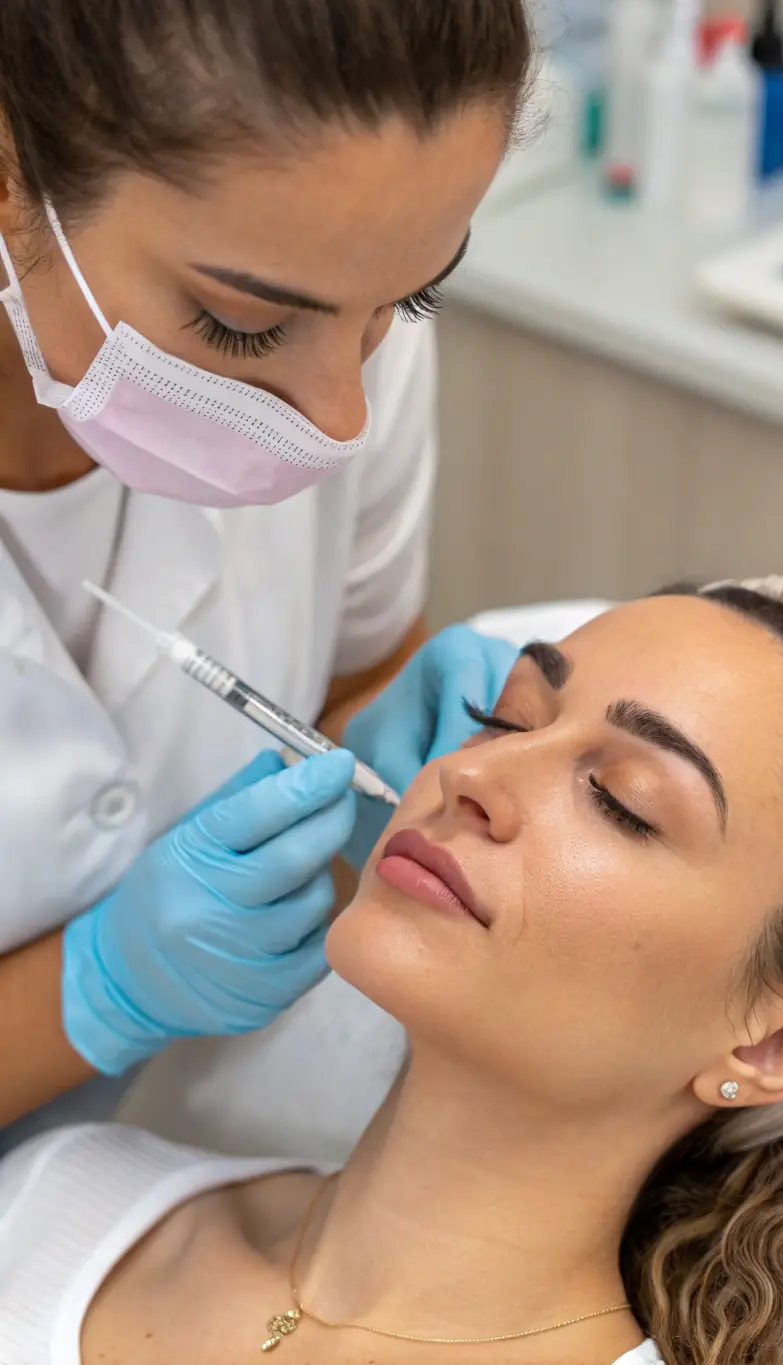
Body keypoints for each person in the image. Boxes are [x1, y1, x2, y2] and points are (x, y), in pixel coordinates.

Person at [3, 570, 783, 1365]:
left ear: (769, 1043)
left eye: (621, 800)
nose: (471, 775)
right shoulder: (58, 1192)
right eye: (511, 717)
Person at [0, 0, 530, 1145]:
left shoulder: (335, 285)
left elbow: (356, 673)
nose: (341, 415)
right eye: (241, 327)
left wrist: (379, 733)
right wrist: (91, 993)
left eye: (409, 299)